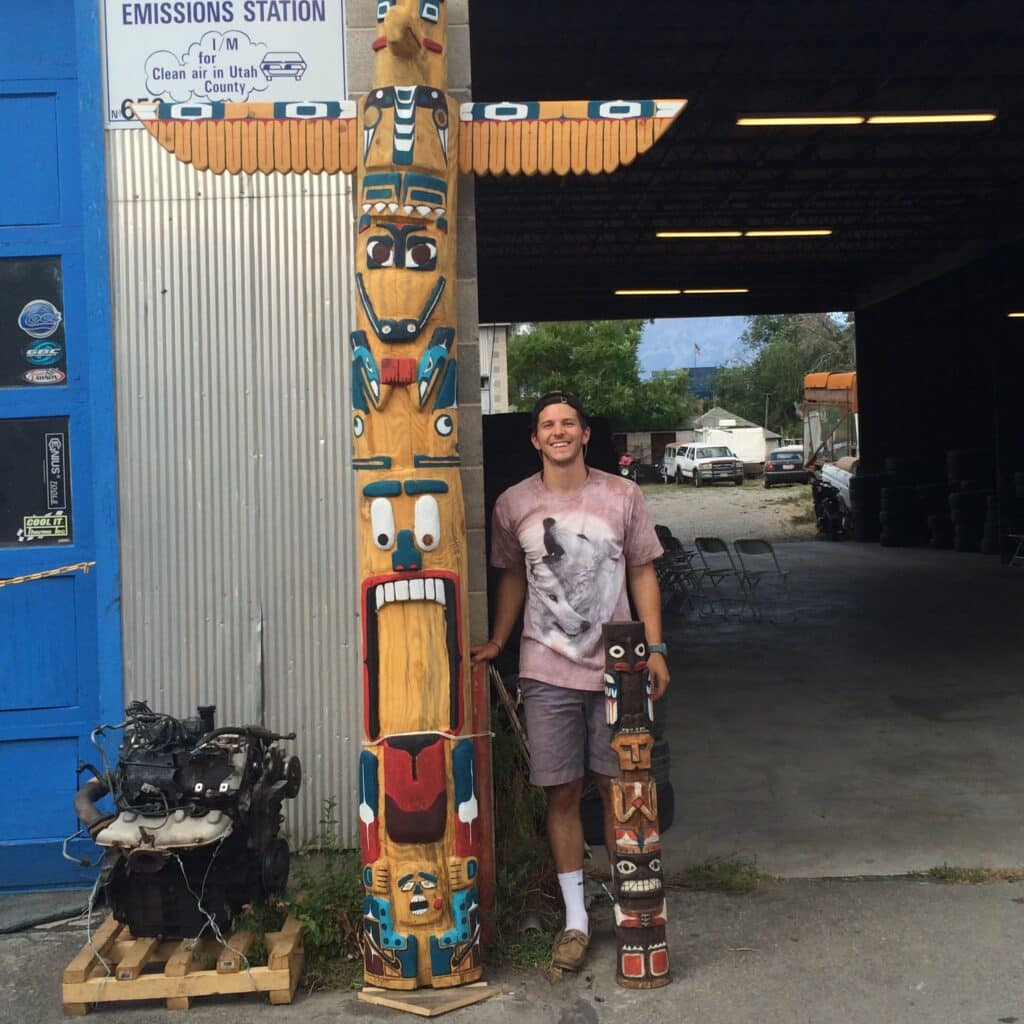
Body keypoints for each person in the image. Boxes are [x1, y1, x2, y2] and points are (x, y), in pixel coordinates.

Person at [470, 391, 670, 972]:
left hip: (617, 666)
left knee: (619, 790)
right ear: (535, 439)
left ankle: (628, 909)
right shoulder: (514, 504)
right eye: (547, 426)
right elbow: (510, 577)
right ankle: (577, 919)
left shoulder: (621, 495)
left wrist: (654, 649)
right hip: (547, 667)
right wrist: (500, 643)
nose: (558, 432)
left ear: (584, 434)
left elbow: (642, 570)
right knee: (560, 792)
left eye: (568, 424)